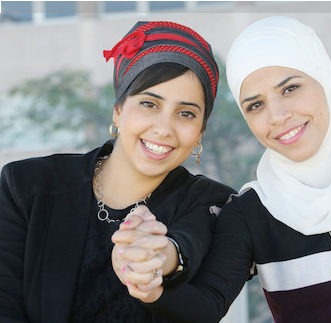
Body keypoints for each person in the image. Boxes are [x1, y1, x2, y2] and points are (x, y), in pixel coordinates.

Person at [112, 16, 331, 323]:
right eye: (256, 105)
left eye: (290, 89)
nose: (277, 116)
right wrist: (150, 286)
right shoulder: (249, 213)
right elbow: (207, 305)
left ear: (324, 79)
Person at [0, 20, 235, 323]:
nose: (164, 129)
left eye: (186, 113)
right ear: (118, 111)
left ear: (200, 131)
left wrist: (161, 259)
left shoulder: (217, 205)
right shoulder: (27, 186)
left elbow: (203, 305)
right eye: (149, 104)